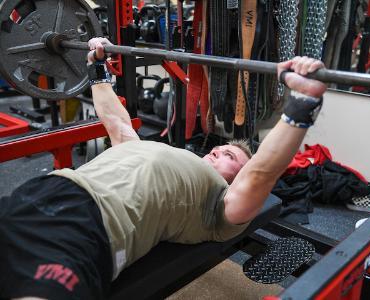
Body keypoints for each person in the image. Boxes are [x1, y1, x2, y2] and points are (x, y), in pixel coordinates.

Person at [0, 37, 326, 300]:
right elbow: (117, 123)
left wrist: (302, 104)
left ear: (235, 178)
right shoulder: (153, 150)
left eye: (229, 155)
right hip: (40, 191)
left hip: (88, 225)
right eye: (219, 147)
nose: (216, 150)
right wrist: (98, 72)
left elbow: (261, 174)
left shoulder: (220, 209)